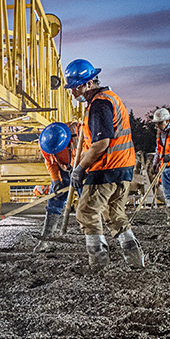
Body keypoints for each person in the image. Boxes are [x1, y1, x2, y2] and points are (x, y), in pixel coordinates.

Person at [63, 59, 143, 270]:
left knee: (86, 212)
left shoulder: (99, 104)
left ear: (88, 83)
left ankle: (98, 262)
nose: (73, 93)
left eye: (75, 88)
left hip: (106, 168)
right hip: (124, 167)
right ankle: (135, 259)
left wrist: (80, 168)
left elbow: (101, 144)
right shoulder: (112, 98)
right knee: (114, 214)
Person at [35, 121, 76, 252]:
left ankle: (94, 242)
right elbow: (50, 163)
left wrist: (80, 172)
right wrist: (56, 180)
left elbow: (89, 154)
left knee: (88, 205)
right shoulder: (45, 142)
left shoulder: (78, 135)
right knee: (54, 201)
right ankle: (46, 240)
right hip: (63, 169)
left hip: (82, 168)